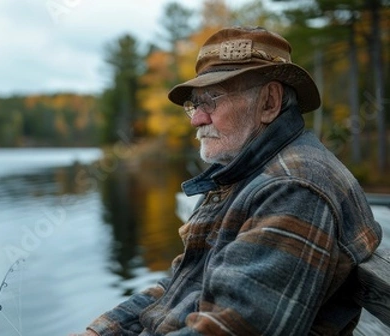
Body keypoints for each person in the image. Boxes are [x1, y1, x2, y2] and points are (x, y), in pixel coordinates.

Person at [71, 26, 383, 335]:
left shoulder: (293, 189)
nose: (196, 119)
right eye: (196, 103)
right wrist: (100, 331)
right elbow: (184, 282)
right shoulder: (247, 172)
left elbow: (232, 329)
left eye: (213, 99)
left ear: (269, 103)